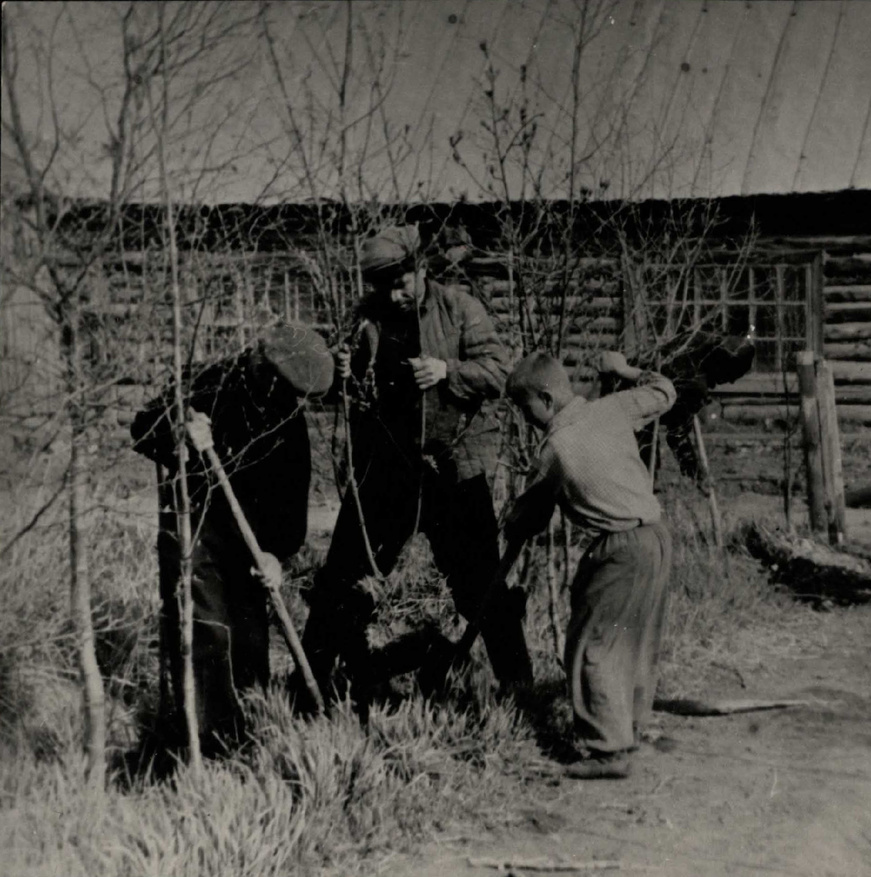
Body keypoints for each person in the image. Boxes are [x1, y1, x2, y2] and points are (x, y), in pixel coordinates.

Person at [298, 223, 532, 706]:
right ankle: (312, 688)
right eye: (383, 285)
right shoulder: (365, 315)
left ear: (421, 268)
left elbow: (499, 371)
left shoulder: (459, 307)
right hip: (384, 473)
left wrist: (449, 372)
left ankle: (519, 688)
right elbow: (342, 384)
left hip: (452, 471)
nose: (395, 295)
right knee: (341, 580)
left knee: (480, 587)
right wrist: (344, 369)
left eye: (401, 282)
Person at [131, 324, 334, 754]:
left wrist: (276, 556)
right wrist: (179, 433)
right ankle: (210, 747)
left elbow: (291, 497)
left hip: (249, 538)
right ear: (263, 366)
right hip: (196, 527)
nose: (289, 398)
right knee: (209, 636)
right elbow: (143, 427)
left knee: (249, 639)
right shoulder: (208, 382)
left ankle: (254, 734)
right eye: (282, 386)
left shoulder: (287, 415)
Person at [503, 350, 676, 779]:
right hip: (656, 537)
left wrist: (513, 517)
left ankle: (608, 751)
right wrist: (623, 371)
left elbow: (530, 516)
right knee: (634, 639)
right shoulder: (613, 408)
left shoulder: (555, 449)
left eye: (524, 407)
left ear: (545, 398)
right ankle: (628, 732)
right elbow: (664, 391)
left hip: (620, 548)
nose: (523, 417)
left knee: (591, 646)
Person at [605, 332, 755, 488]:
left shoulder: (694, 338)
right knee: (640, 477)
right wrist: (696, 474)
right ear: (723, 365)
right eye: (734, 374)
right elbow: (677, 436)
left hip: (615, 391)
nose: (731, 382)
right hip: (631, 414)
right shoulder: (694, 386)